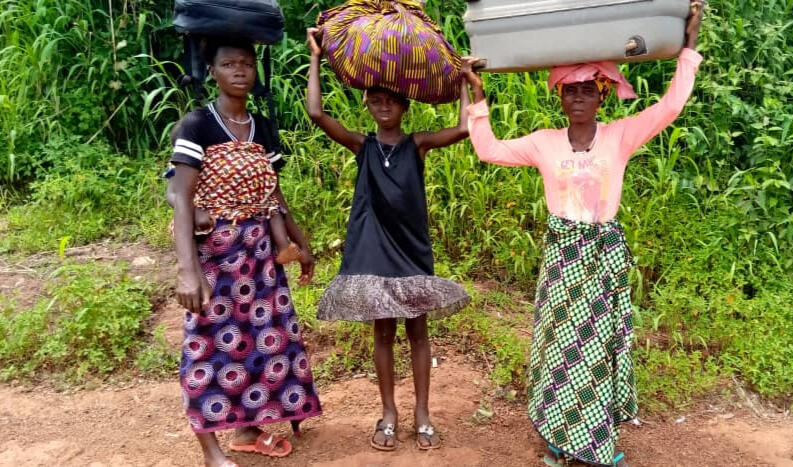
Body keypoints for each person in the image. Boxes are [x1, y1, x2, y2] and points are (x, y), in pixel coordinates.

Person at [462, 2, 705, 465]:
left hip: (604, 254)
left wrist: (688, 43)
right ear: (561, 98)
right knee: (560, 345)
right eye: (569, 90)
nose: (577, 97)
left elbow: (672, 104)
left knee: (598, 344)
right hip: (563, 257)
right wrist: (475, 94)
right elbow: (488, 149)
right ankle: (559, 438)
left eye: (586, 90)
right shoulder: (543, 143)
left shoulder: (620, 136)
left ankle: (595, 442)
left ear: (602, 96)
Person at [305, 27, 471, 451]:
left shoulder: (417, 145)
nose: (383, 107)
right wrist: (316, 58)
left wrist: (470, 82)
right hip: (374, 248)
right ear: (368, 104)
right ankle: (389, 413)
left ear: (404, 106)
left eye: (391, 101)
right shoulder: (362, 146)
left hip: (411, 249)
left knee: (418, 332)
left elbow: (465, 128)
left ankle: (422, 415)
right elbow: (317, 115)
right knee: (383, 334)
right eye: (376, 100)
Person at [168, 37, 321, 467]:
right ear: (212, 73)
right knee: (207, 348)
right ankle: (210, 451)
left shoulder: (263, 127)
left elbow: (274, 194)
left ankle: (247, 429)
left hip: (259, 256)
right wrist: (187, 270)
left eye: (247, 64)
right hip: (215, 255)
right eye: (229, 64)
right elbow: (181, 196)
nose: (240, 71)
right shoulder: (196, 125)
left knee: (261, 341)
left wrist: (300, 242)